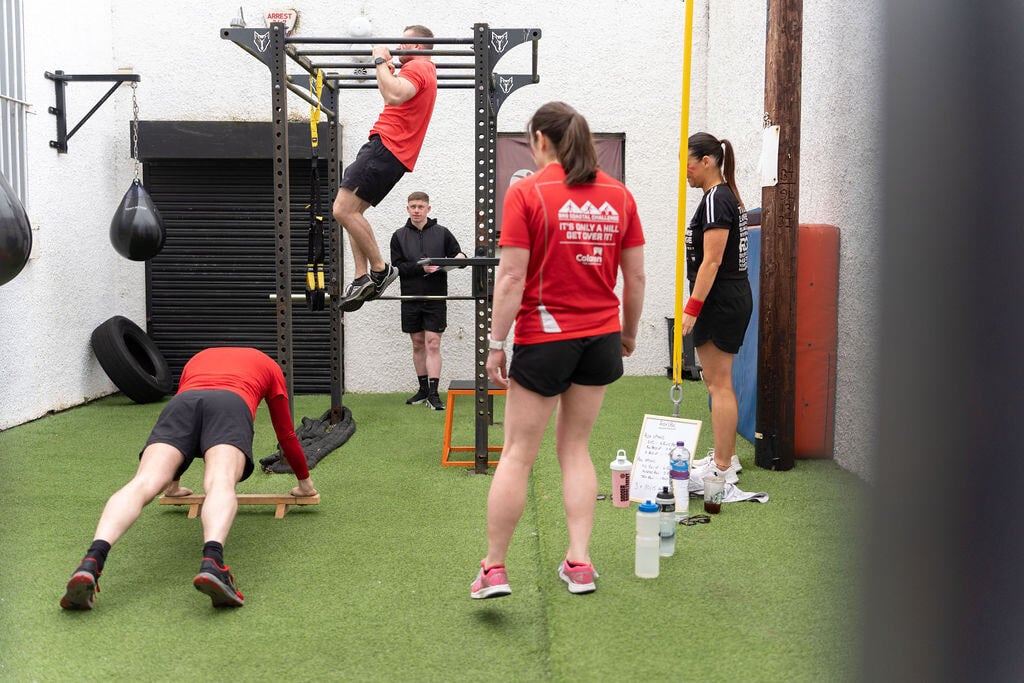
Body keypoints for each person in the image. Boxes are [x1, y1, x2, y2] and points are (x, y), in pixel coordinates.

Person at [471, 102, 646, 598]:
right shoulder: (620, 195)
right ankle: (580, 563)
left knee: (518, 453)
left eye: (531, 142)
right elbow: (634, 277)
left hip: (545, 338)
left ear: (542, 142)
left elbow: (510, 276)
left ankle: (494, 569)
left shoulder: (526, 192)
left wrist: (495, 344)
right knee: (575, 449)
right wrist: (627, 332)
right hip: (600, 337)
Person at [60, 347, 317, 610]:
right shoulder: (270, 366)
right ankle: (213, 562)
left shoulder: (198, 358)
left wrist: (172, 486)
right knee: (220, 480)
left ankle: (91, 561)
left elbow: (189, 426)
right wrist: (304, 484)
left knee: (144, 482)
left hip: (183, 404)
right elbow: (286, 435)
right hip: (231, 404)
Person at [334, 24, 438, 313]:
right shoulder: (419, 70)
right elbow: (392, 93)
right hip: (390, 151)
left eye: (402, 43)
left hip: (386, 147)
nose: (396, 47)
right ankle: (360, 276)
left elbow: (393, 96)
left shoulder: (419, 67)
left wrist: (380, 60)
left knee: (341, 210)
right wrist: (388, 71)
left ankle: (380, 270)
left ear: (417, 47)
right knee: (353, 214)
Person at [680, 132, 753, 485]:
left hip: (720, 300)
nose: (686, 172)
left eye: (689, 164)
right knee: (716, 381)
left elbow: (712, 261)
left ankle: (723, 469)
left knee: (719, 384)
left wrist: (692, 308)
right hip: (725, 297)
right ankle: (727, 456)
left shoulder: (716, 199)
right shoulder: (721, 197)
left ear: (706, 161)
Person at [390, 191, 466, 410]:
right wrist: (419, 267)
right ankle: (422, 390)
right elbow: (397, 268)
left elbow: (459, 257)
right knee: (417, 343)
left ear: (428, 209)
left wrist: (460, 258)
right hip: (411, 297)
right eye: (412, 206)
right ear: (407, 208)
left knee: (433, 342)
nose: (416, 210)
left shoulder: (442, 233)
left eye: (420, 206)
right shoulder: (398, 236)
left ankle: (434, 394)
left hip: (436, 297)